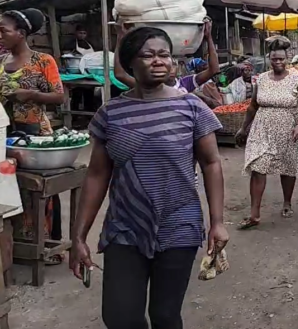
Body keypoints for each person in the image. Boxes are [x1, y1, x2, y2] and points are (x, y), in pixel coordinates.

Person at [69, 26, 229, 329]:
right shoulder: (111, 113)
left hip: (178, 223)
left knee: (165, 316)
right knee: (120, 317)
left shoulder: (191, 107)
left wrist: (218, 222)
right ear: (130, 62)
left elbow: (211, 163)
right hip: (125, 227)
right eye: (148, 55)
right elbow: (97, 174)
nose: (158, 61)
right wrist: (78, 237)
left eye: (164, 54)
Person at [0, 9, 67, 264]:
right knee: (12, 188)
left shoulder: (43, 61)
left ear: (21, 33)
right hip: (6, 134)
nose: (0, 35)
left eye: (3, 30)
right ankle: (20, 247)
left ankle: (49, 246)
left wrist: (32, 96)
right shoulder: (1, 61)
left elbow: (59, 96)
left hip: (36, 135)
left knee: (42, 191)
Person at [235, 36, 298, 228]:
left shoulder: (296, 78)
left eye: (281, 59)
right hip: (263, 130)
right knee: (258, 167)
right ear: (269, 58)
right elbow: (253, 106)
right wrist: (243, 128)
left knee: (287, 167)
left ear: (288, 58)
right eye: (274, 58)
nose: (278, 62)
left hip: (288, 130)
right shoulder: (261, 79)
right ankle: (254, 214)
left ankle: (287, 201)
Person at [114, 20, 220, 94]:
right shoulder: (146, 88)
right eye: (148, 56)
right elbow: (120, 74)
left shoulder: (185, 84)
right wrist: (120, 37)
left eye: (173, 64)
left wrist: (208, 37)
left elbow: (214, 69)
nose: (160, 63)